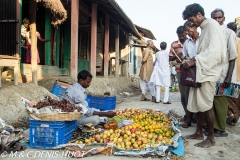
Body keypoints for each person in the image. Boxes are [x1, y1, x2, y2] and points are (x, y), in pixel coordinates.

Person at [182, 3, 226, 148]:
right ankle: (199, 132)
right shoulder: (205, 27)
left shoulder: (212, 25)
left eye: (192, 19)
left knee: (207, 105)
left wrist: (194, 60)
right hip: (201, 72)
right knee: (198, 104)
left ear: (199, 14)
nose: (191, 23)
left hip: (208, 72)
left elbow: (215, 52)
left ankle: (211, 138)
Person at [203, 8, 238, 137]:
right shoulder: (209, 32)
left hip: (223, 74)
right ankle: (212, 126)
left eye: (219, 17)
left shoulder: (229, 33)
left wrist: (228, 76)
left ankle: (221, 129)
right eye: (214, 18)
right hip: (211, 73)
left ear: (224, 18)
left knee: (221, 102)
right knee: (210, 101)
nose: (217, 20)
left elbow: (233, 56)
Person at [181, 21, 200, 128]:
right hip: (190, 71)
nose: (187, 33)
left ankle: (199, 122)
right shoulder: (187, 43)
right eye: (186, 31)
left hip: (201, 70)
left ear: (195, 27)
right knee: (188, 96)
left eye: (189, 30)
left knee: (200, 97)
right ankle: (188, 120)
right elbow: (185, 56)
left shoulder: (202, 39)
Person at [169, 26, 188, 118]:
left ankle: (194, 115)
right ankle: (187, 114)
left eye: (183, 35)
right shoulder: (174, 44)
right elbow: (170, 57)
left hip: (192, 71)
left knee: (192, 95)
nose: (181, 37)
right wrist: (176, 57)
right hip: (180, 71)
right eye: (179, 36)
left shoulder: (191, 42)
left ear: (186, 33)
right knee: (184, 94)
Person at [226, 22, 240, 126]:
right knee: (237, 99)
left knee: (228, 98)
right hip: (238, 76)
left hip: (230, 74)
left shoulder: (227, 41)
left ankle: (230, 114)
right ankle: (235, 118)